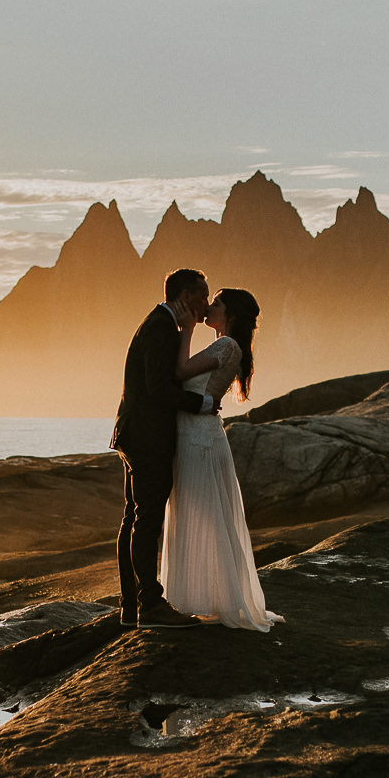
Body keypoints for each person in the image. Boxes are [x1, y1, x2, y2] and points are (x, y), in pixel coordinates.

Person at [160, 288, 276, 631]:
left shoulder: (227, 345)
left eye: (217, 303)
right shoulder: (226, 345)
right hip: (198, 435)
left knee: (201, 513)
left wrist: (187, 329)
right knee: (203, 513)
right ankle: (206, 596)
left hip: (199, 440)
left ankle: (205, 598)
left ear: (232, 315)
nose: (209, 306)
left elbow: (180, 372)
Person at [111, 268, 216, 628]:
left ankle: (130, 607)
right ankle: (150, 606)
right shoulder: (161, 329)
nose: (207, 303)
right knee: (147, 518)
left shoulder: (157, 323)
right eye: (203, 296)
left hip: (134, 433)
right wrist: (200, 403)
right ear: (185, 296)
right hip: (147, 437)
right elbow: (158, 388)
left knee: (134, 518)